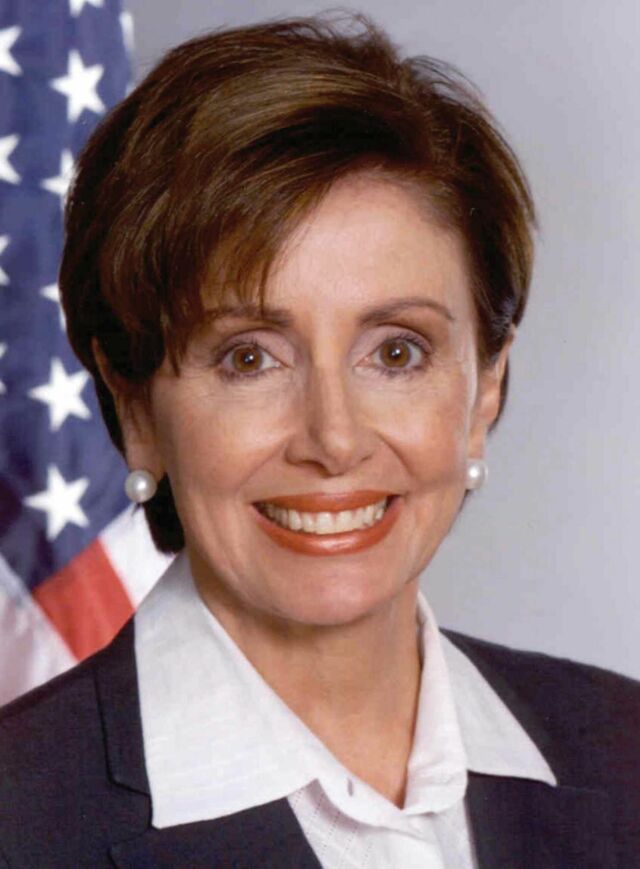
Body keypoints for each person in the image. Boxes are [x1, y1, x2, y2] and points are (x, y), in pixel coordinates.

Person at [0, 13, 638, 868]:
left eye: (396, 352)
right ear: (137, 406)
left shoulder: (624, 749)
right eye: (249, 357)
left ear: (486, 384)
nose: (333, 439)